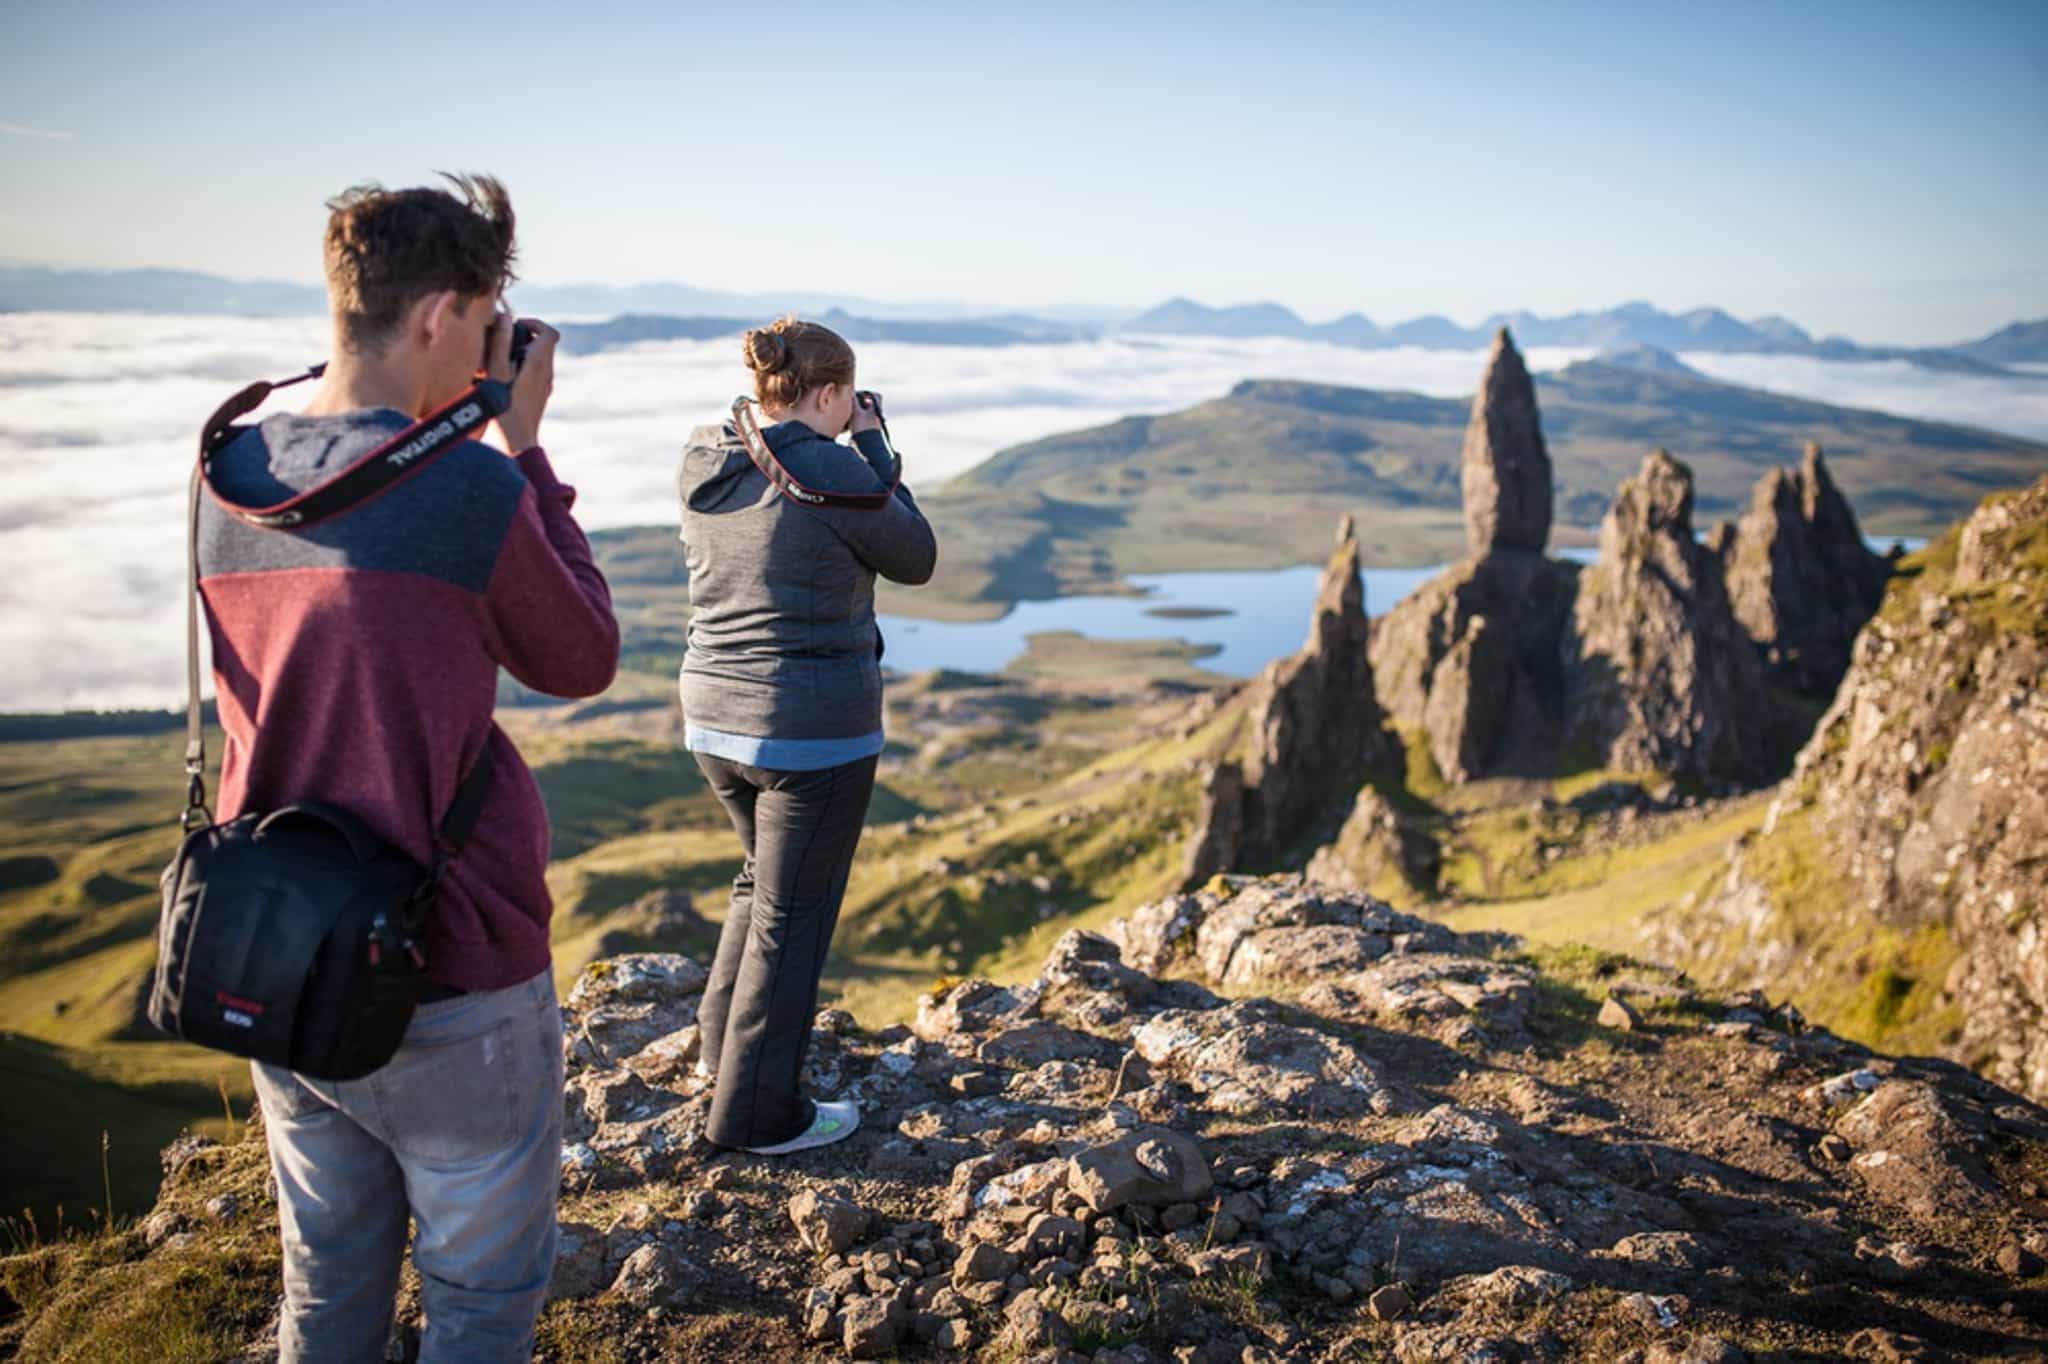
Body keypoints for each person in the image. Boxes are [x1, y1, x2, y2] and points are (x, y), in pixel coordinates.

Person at [201, 173, 619, 1361]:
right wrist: (522, 451)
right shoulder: (468, 485)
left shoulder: (227, 471)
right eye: (489, 318)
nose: (496, 344)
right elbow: (580, 653)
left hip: (276, 939)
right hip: (450, 965)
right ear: (441, 314)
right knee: (480, 1296)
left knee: (328, 1293)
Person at [677, 316, 938, 1154]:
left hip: (714, 716)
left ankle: (723, 1058)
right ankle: (758, 1114)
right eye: (843, 401)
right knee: (795, 920)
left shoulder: (709, 455)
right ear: (828, 395)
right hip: (809, 732)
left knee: (762, 887)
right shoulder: (830, 469)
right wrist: (875, 445)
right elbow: (915, 552)